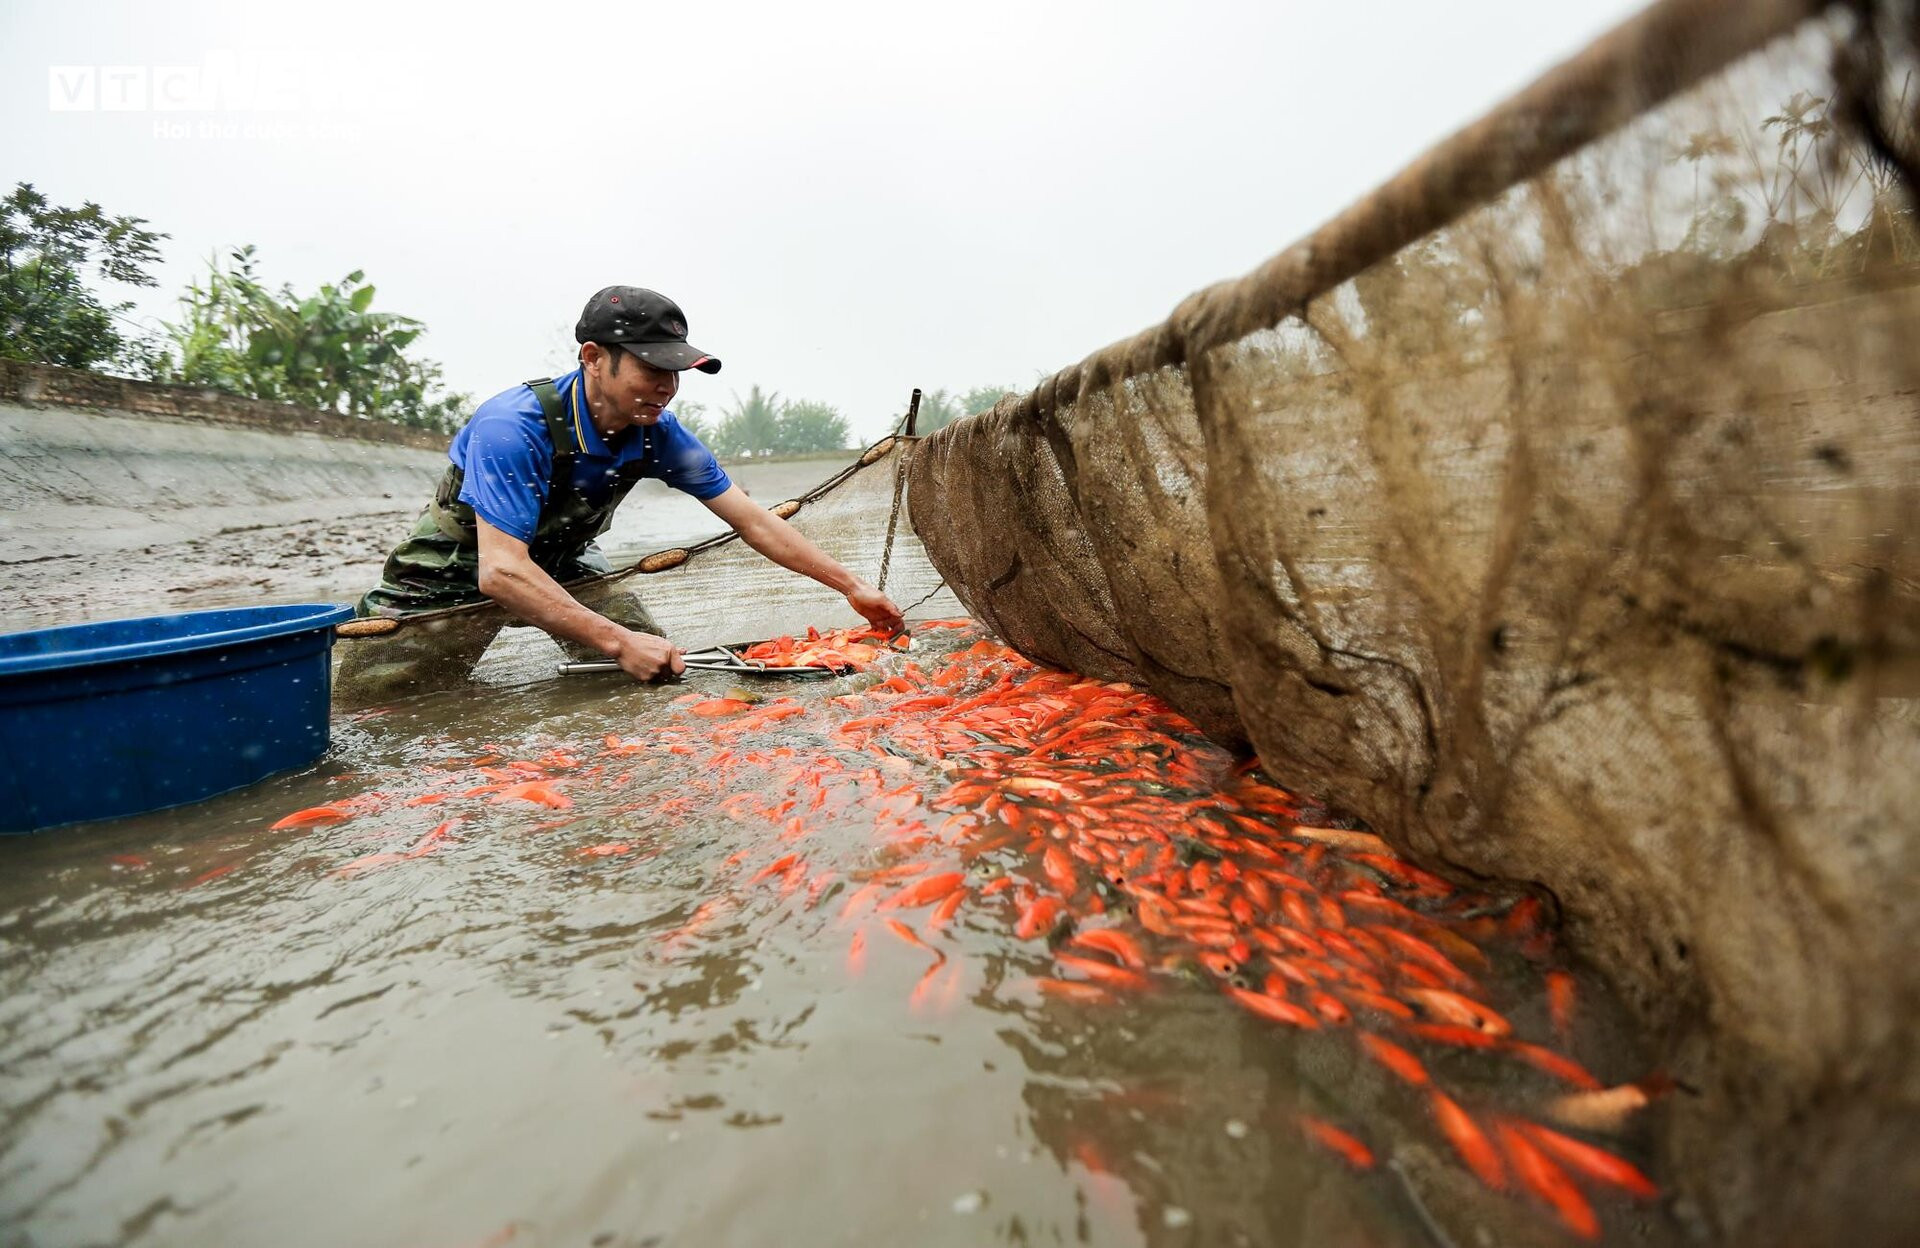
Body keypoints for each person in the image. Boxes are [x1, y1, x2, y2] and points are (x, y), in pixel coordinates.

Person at [348, 286, 902, 689]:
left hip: (564, 570)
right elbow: (501, 570)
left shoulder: (658, 434)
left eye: (675, 372)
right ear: (593, 358)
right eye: (650, 368)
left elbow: (753, 521)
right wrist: (615, 642)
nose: (666, 387)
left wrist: (851, 587)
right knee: (379, 708)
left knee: (655, 672)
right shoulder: (512, 426)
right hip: (445, 578)